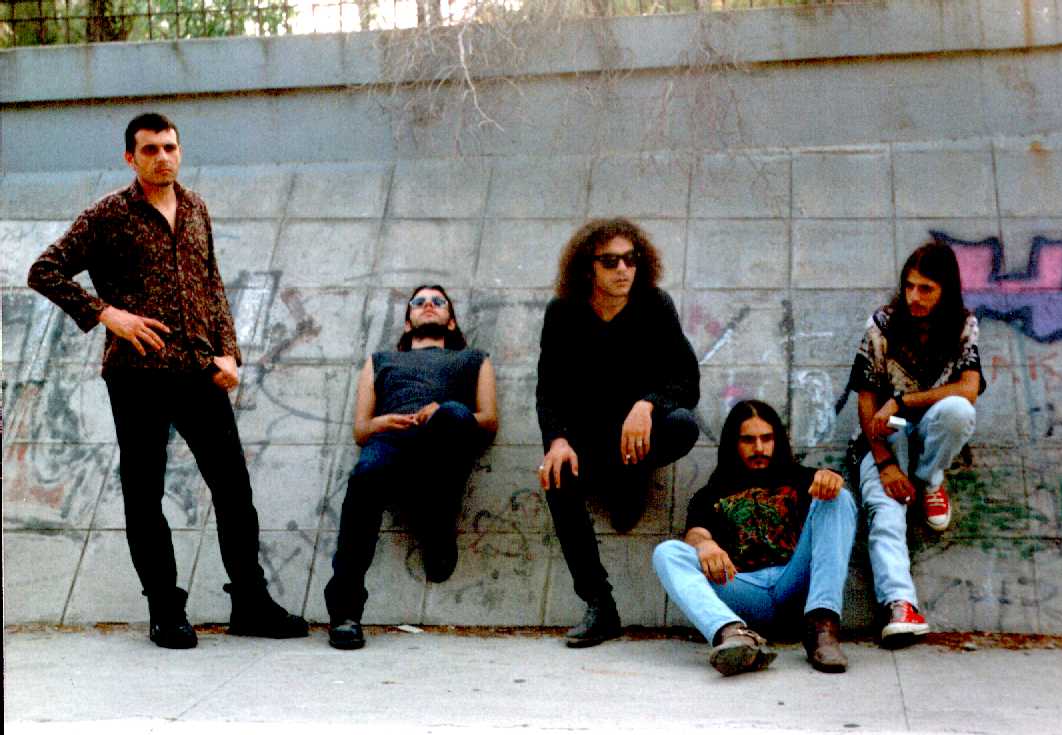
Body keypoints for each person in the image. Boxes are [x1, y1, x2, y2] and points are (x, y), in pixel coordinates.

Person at [26, 112, 308, 649]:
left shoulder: (196, 207)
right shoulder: (108, 214)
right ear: (130, 157)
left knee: (234, 489)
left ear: (180, 151)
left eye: (170, 147)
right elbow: (44, 270)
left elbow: (211, 282)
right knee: (145, 494)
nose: (163, 157)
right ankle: (164, 609)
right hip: (137, 374)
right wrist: (107, 314)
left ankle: (250, 603)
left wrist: (229, 353)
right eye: (150, 149)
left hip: (199, 371)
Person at [536, 218, 700, 648]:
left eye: (631, 258)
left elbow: (686, 380)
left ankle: (630, 477)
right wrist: (557, 441)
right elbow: (549, 390)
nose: (623, 269)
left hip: (639, 430)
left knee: (682, 425)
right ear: (588, 267)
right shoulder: (563, 312)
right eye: (610, 261)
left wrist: (647, 404)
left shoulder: (654, 305)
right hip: (586, 435)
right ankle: (600, 605)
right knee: (556, 477)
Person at [324, 285, 497, 650]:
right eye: (419, 302)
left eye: (438, 302)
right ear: (407, 322)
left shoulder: (473, 359)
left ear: (451, 321)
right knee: (364, 477)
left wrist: (441, 409)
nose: (428, 305)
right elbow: (361, 430)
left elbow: (488, 420)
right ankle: (345, 613)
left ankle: (437, 527)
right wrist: (383, 421)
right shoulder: (381, 360)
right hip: (391, 441)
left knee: (454, 413)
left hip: (444, 439)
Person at [652, 400, 856, 675]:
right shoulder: (711, 493)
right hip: (744, 592)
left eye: (767, 438)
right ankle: (733, 635)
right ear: (733, 444)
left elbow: (831, 500)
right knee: (667, 552)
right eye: (748, 440)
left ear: (777, 441)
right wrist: (705, 545)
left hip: (794, 585)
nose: (759, 448)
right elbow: (696, 533)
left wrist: (831, 479)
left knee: (838, 498)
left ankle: (822, 628)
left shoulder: (801, 479)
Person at [852, 241, 985, 647]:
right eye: (909, 286)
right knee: (885, 511)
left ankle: (930, 480)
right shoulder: (882, 324)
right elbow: (866, 401)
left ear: (945, 290)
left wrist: (904, 400)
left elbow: (969, 388)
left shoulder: (963, 324)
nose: (915, 297)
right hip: (885, 430)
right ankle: (900, 605)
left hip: (924, 422)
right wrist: (885, 464)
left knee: (958, 411)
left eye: (926, 289)